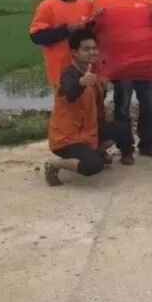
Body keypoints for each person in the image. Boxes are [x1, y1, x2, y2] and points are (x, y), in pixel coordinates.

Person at [44, 29, 134, 186]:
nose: (92, 52)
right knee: (94, 165)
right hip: (67, 139)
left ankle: (98, 151)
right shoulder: (68, 74)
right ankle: (54, 164)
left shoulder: (91, 71)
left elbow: (95, 104)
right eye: (86, 49)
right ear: (75, 52)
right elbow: (69, 92)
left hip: (88, 132)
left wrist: (103, 85)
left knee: (123, 128)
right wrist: (81, 83)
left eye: (94, 48)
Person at [94, 0, 152, 157]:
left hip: (146, 63)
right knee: (122, 106)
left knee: (150, 105)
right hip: (121, 64)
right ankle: (126, 148)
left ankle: (147, 143)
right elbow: (96, 31)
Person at [30, 0, 98, 86]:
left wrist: (96, 20)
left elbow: (94, 32)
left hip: (87, 70)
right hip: (60, 70)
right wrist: (65, 29)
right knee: (65, 98)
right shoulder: (47, 6)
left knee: (90, 98)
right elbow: (37, 36)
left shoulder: (88, 4)